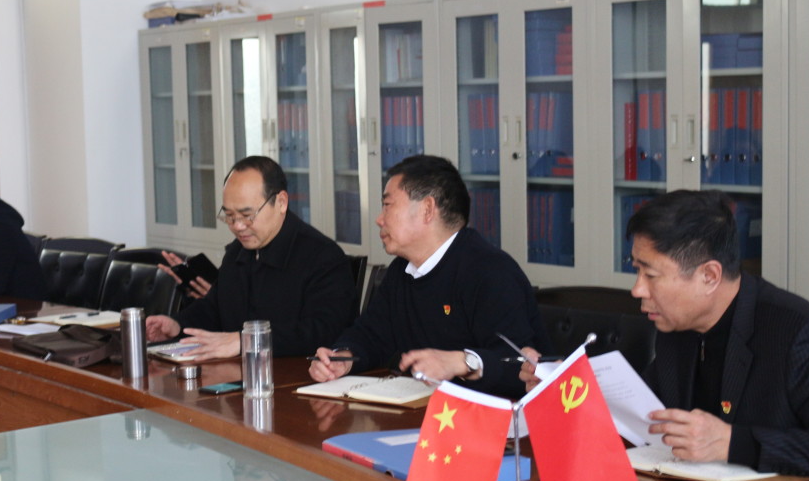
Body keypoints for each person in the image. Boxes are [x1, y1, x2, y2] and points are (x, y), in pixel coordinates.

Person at [626, 189, 809, 481]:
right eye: (637, 270)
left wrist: (732, 443)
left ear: (709, 276)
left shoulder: (801, 334)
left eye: (650, 275)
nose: (637, 290)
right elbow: (646, 413)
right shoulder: (677, 325)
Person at [309, 155, 551, 400]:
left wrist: (463, 362)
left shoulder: (490, 271)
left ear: (427, 209)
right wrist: (344, 358)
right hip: (424, 411)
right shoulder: (402, 270)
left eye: (388, 205)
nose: (379, 219)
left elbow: (521, 364)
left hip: (491, 417)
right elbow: (371, 334)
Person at [145, 156, 355, 360]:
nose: (237, 226)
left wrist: (245, 341)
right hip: (240, 370)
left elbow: (323, 331)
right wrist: (177, 326)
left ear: (281, 202)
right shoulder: (238, 251)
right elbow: (215, 308)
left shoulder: (323, 257)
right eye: (229, 216)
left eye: (247, 216)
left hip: (296, 375)